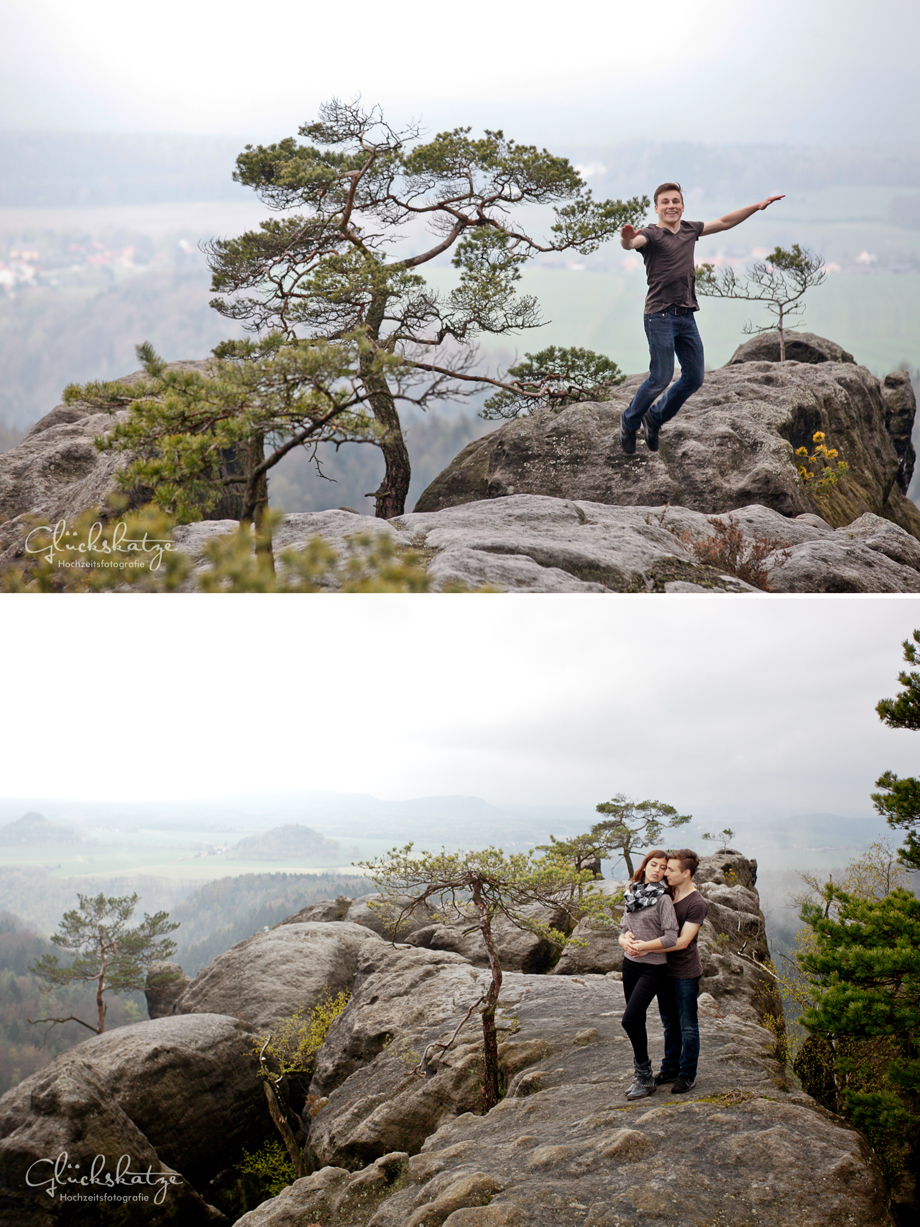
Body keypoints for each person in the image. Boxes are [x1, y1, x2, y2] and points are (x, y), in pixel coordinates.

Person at [618, 182, 785, 454]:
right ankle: (629, 421)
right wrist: (626, 238)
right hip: (659, 316)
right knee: (660, 377)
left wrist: (757, 206)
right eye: (665, 202)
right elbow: (632, 243)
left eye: (676, 201)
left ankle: (655, 418)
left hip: (686, 315)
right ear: (656, 207)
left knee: (694, 377)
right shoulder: (652, 234)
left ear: (682, 206)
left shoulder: (689, 229)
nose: (671, 206)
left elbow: (723, 222)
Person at [623, 847, 708, 1094]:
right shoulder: (665, 892)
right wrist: (626, 941)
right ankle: (669, 1069)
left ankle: (687, 1074)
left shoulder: (696, 902)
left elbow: (680, 942)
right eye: (662, 867)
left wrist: (643, 948)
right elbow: (631, 922)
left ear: (687, 873)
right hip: (663, 969)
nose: (664, 872)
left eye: (669, 869)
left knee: (687, 1025)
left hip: (683, 970)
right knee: (669, 1023)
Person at [617, 849, 678, 1100]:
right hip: (630, 964)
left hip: (654, 968)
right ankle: (642, 1077)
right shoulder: (632, 893)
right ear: (645, 865)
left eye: (663, 868)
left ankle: (644, 1076)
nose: (657, 870)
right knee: (637, 1020)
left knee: (629, 1020)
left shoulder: (663, 899)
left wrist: (642, 946)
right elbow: (623, 929)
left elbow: (671, 937)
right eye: (654, 865)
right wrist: (624, 942)